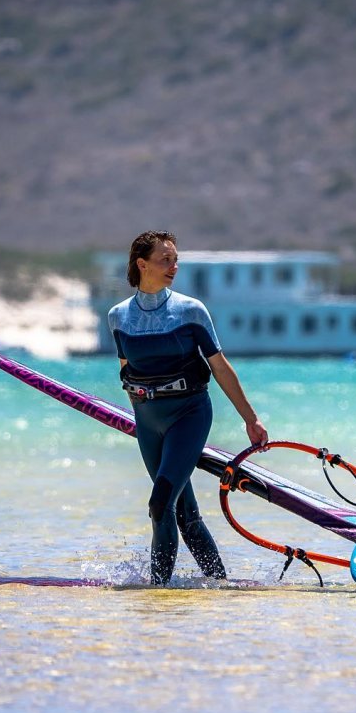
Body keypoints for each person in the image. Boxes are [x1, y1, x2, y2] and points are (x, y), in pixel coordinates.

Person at [108, 230, 269, 585]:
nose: (173, 266)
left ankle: (158, 592)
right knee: (183, 512)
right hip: (148, 423)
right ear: (142, 264)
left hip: (188, 415)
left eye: (175, 260)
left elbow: (220, 367)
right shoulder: (118, 317)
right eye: (165, 260)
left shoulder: (190, 311)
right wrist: (140, 411)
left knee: (160, 503)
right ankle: (218, 585)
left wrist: (250, 419)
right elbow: (126, 370)